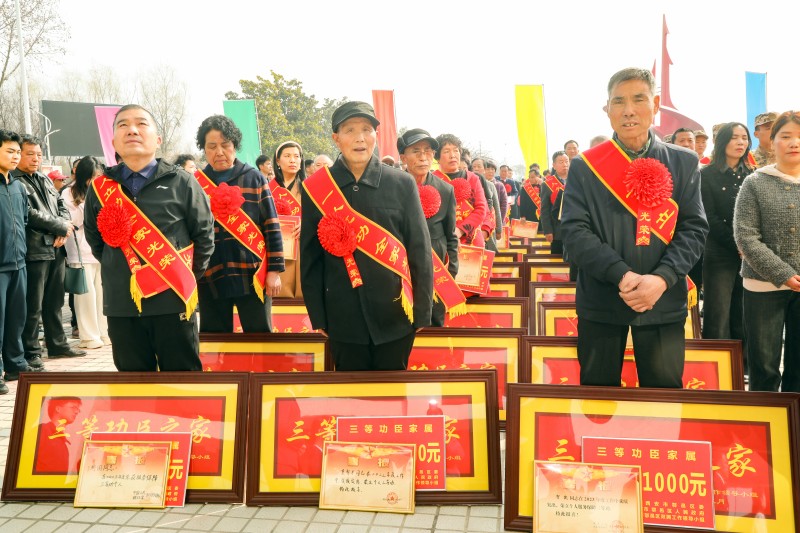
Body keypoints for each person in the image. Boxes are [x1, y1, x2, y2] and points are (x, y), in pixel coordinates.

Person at [560, 67, 708, 388]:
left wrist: (662, 278)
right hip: (602, 299)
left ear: (655, 104)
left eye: (639, 99)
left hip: (663, 299)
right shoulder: (585, 166)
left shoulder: (683, 162)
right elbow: (574, 233)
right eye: (619, 101)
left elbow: (694, 229)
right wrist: (621, 275)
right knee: (598, 396)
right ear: (607, 110)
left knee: (664, 396)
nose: (628, 110)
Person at [301, 101, 433, 370]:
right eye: (349, 130)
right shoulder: (316, 187)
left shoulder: (401, 183)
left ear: (376, 135)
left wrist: (421, 312)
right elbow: (310, 258)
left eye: (366, 129)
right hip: (342, 319)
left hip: (396, 317)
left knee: (393, 391)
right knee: (351, 392)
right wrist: (319, 316)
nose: (359, 138)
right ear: (336, 138)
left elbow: (419, 250)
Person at [84, 104, 215, 371]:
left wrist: (181, 276)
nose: (132, 130)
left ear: (158, 139)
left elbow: (204, 237)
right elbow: (96, 241)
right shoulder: (99, 188)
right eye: (123, 125)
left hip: (173, 300)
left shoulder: (182, 182)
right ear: (113, 142)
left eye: (141, 124)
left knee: (182, 381)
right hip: (122, 305)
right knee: (132, 385)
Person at [195, 115, 284, 332]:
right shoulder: (196, 183)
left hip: (251, 274)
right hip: (211, 276)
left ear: (234, 145)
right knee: (215, 341)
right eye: (212, 146)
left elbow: (271, 225)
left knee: (260, 338)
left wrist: (274, 271)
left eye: (225, 145)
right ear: (204, 149)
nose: (219, 152)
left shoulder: (254, 177)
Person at [734, 110, 800, 392]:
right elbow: (746, 236)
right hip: (762, 286)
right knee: (763, 365)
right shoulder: (755, 183)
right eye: (786, 136)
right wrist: (783, 273)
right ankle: (765, 417)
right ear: (772, 142)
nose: (794, 143)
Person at [13, 136, 85, 369]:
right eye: (30, 154)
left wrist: (64, 227)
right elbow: (29, 213)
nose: (35, 159)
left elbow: (61, 206)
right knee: (32, 305)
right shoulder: (14, 180)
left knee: (54, 302)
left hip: (56, 247)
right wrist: (60, 227)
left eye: (39, 154)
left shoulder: (44, 178)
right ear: (19, 154)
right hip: (34, 249)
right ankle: (32, 351)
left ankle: (57, 343)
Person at [398, 128, 460, 326]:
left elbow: (451, 236)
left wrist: (451, 270)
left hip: (436, 272)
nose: (423, 157)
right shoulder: (392, 188)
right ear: (403, 157)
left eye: (428, 151)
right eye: (416, 151)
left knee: (434, 324)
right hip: (401, 270)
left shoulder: (446, 190)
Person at [700, 122, 753, 346]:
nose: (741, 142)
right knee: (718, 314)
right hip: (719, 252)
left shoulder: (753, 175)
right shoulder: (706, 174)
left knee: (744, 313)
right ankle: (717, 362)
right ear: (722, 142)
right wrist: (738, 244)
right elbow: (708, 217)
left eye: (744, 137)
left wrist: (748, 247)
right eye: (734, 137)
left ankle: (744, 363)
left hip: (749, 255)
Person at [61, 156, 108, 349]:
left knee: (103, 294)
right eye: (93, 176)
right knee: (86, 295)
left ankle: (104, 332)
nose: (96, 179)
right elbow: (71, 220)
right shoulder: (69, 193)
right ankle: (89, 336)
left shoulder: (102, 190)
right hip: (80, 250)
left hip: (101, 249)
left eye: (99, 176)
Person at [0, 129, 34, 393]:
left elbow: (23, 220)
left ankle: (15, 364)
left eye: (17, 152)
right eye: (10, 151)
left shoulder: (18, 187)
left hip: (18, 263)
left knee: (16, 318)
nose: (15, 156)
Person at [433, 134, 490, 248]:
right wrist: (448, 236)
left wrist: (459, 231)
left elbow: (481, 209)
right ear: (437, 157)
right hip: (442, 241)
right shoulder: (432, 180)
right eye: (446, 151)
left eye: (456, 150)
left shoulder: (473, 178)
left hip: (472, 240)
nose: (452, 155)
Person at [271, 140, 305, 298]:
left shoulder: (309, 188)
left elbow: (320, 216)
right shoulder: (268, 188)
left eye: (296, 156)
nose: (293, 160)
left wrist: (306, 225)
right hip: (276, 246)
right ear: (278, 161)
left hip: (301, 245)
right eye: (287, 156)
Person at [35, 396, 82, 473]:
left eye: (78, 409)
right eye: (73, 407)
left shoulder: (63, 443)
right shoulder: (42, 430)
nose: (76, 412)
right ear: (58, 409)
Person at [540, 150, 570, 254]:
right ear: (554, 165)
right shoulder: (547, 184)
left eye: (566, 161)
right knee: (557, 260)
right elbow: (544, 210)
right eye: (561, 162)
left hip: (576, 229)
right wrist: (548, 230)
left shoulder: (577, 180)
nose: (565, 164)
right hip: (557, 231)